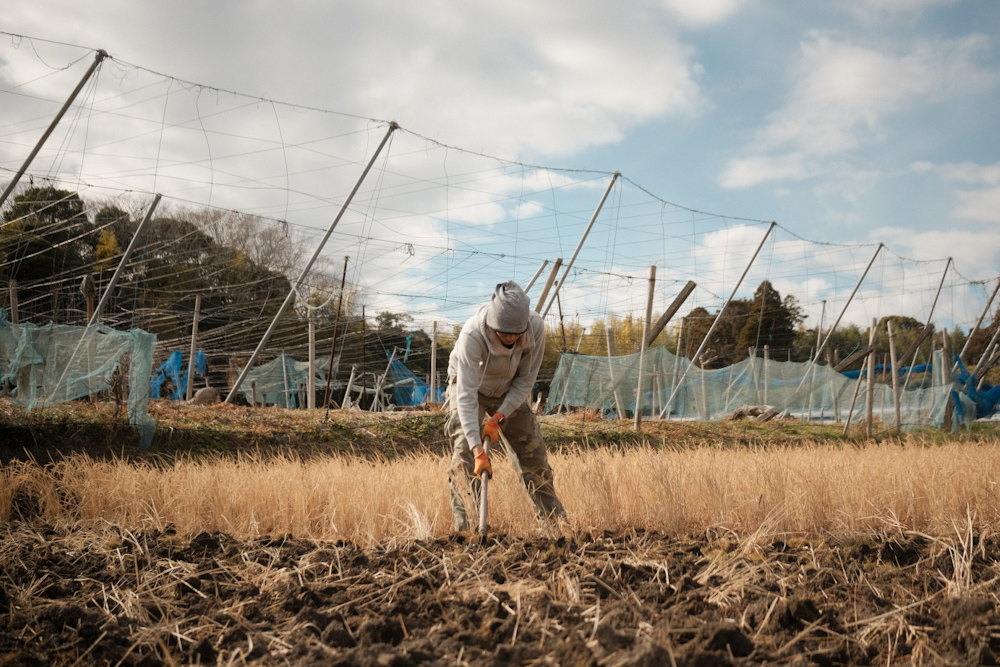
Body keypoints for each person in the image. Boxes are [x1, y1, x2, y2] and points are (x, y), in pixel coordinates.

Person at [444, 280, 566, 532]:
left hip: (509, 389)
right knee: (465, 453)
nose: (510, 338)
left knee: (533, 452)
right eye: (503, 332)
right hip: (470, 387)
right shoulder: (472, 335)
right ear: (492, 323)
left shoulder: (535, 327)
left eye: (515, 333)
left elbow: (525, 381)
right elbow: (465, 396)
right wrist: (479, 451)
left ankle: (554, 526)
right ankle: (467, 529)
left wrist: (499, 416)